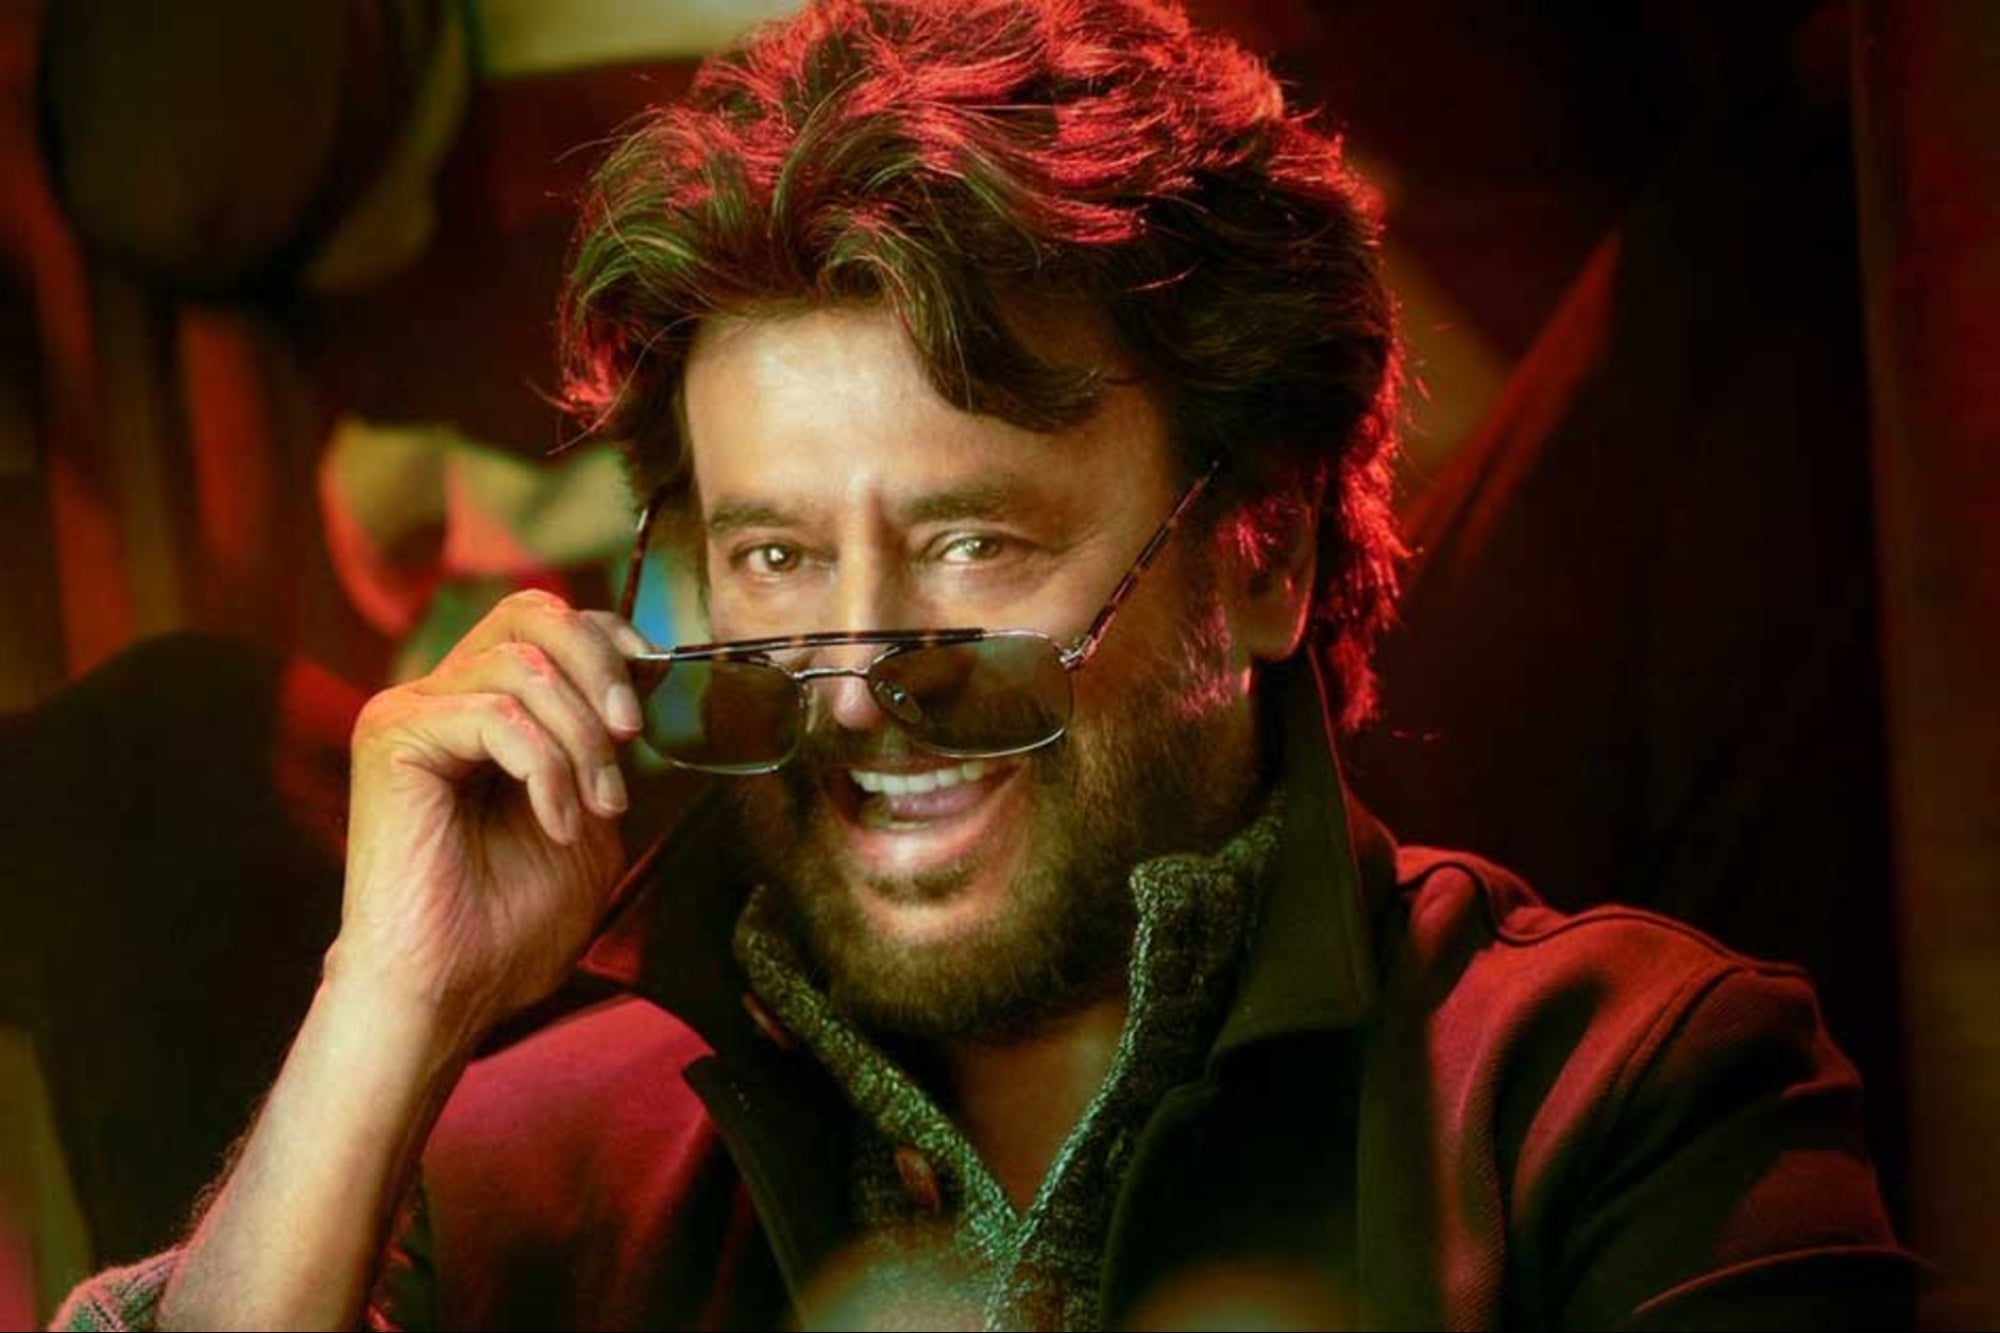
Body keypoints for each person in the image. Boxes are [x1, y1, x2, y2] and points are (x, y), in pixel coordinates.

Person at [57, 0, 1913, 1328]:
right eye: (777, 559)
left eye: (971, 544)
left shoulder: (1625, 1089)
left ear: (1261, 552)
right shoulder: (518, 1160)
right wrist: (386, 1004)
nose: (858, 691)